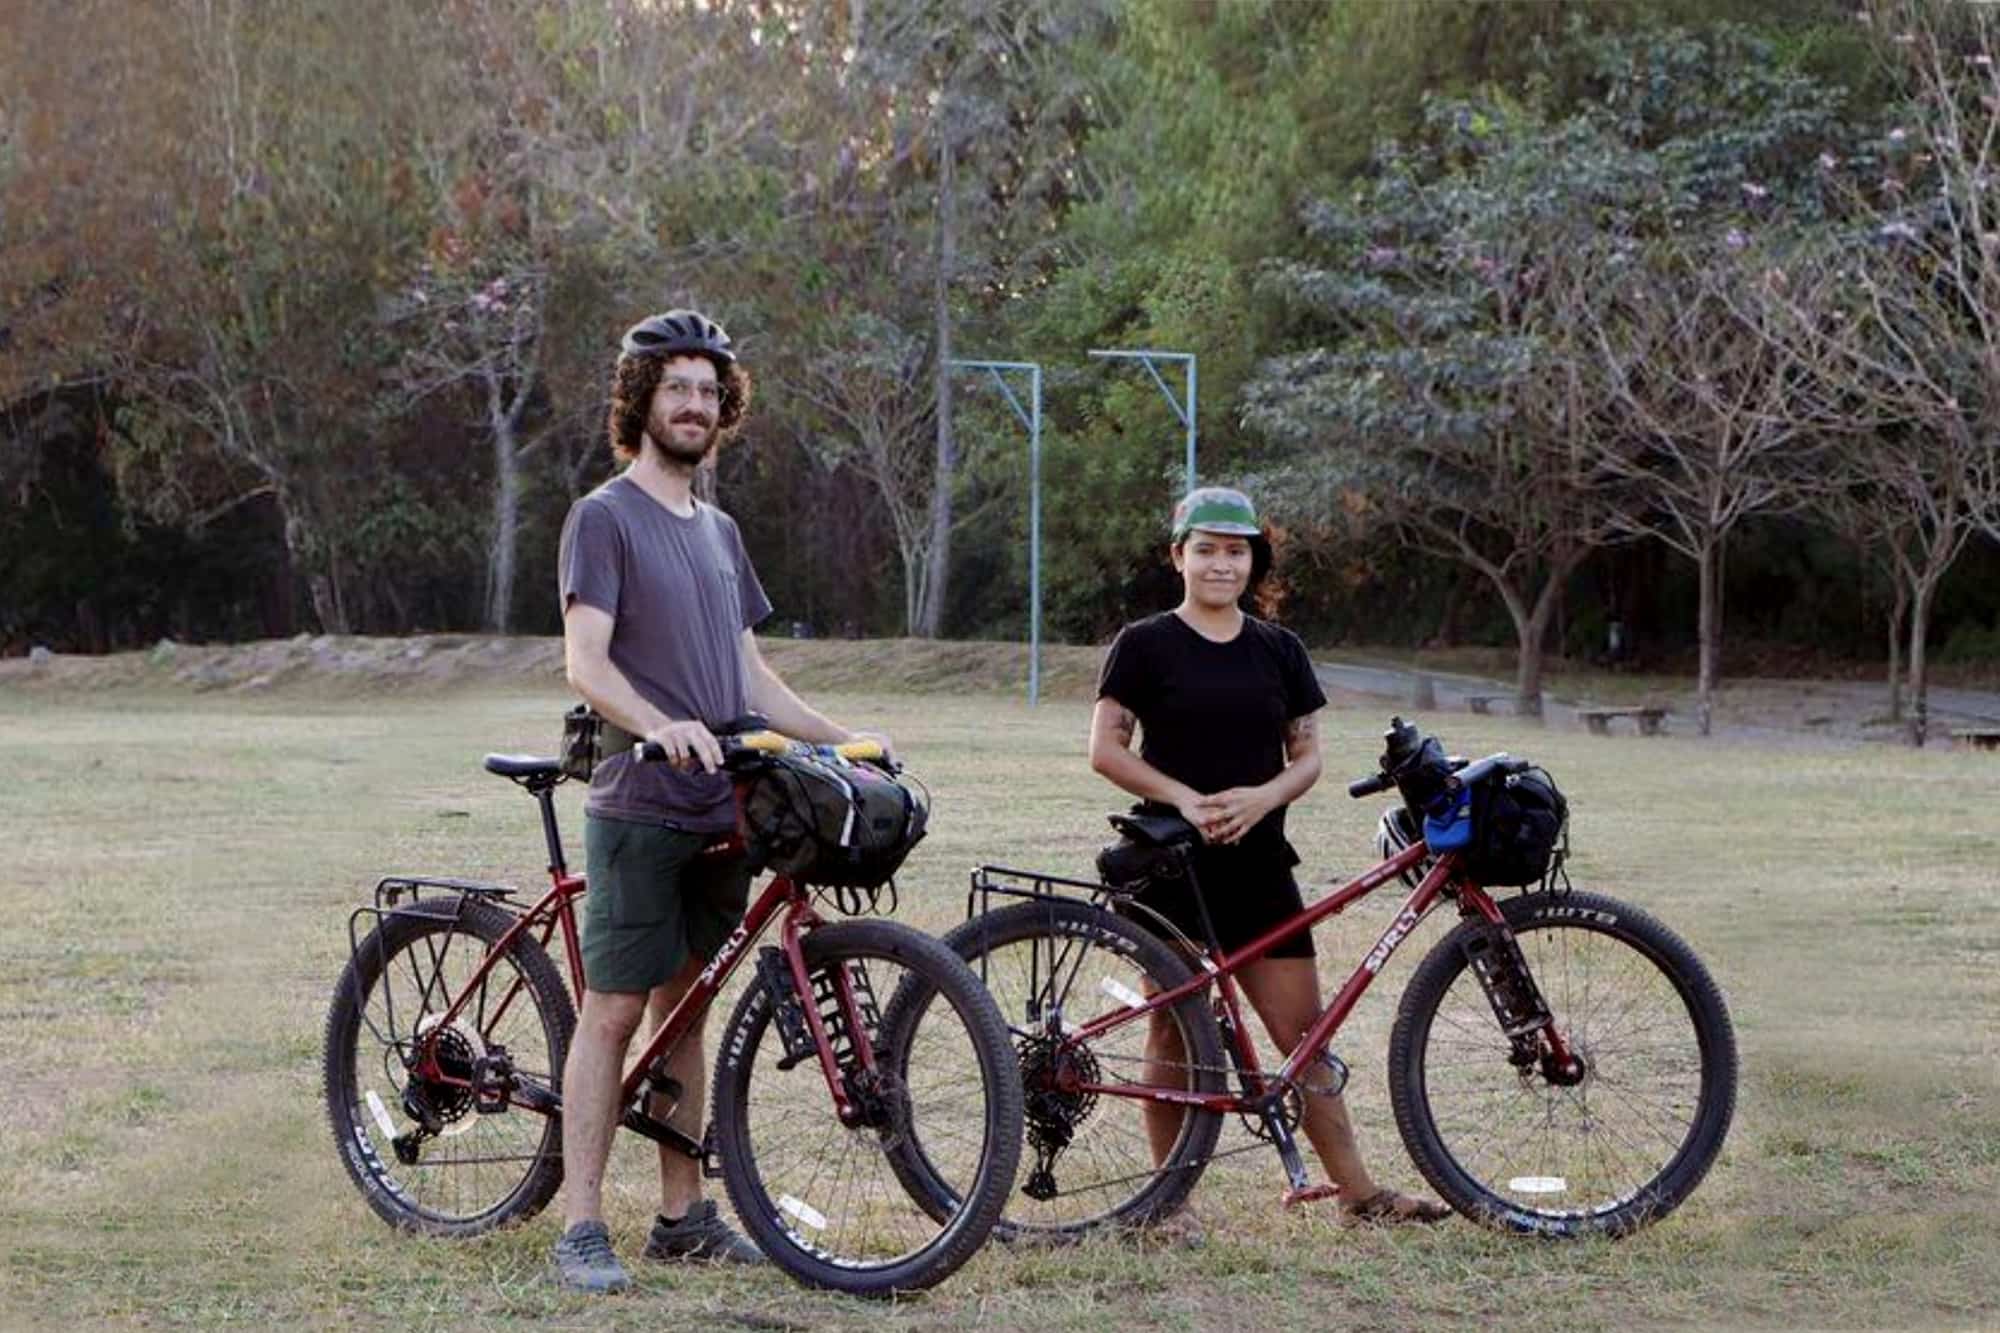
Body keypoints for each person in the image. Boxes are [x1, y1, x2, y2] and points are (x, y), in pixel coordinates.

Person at [551, 309, 890, 1293]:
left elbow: (751, 680)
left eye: (707, 390)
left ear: (722, 406)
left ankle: (681, 1216)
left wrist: (841, 738)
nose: (693, 404)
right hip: (639, 802)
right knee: (613, 1010)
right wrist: (656, 722)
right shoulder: (604, 516)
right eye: (676, 388)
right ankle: (579, 1225)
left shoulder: (722, 530)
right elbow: (587, 662)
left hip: (722, 807)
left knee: (686, 1013)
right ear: (642, 402)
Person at [1090, 485, 1450, 1231]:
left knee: (1305, 1032)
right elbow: (1106, 749)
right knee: (1173, 1031)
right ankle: (1166, 1205)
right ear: (1177, 556)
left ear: (1253, 560)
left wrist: (1260, 798)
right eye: (1207, 549)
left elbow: (1307, 757)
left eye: (1236, 550)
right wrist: (1186, 799)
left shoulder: (1280, 650)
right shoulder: (1144, 643)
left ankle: (1358, 1193)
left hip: (1259, 868)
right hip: (1169, 867)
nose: (1222, 564)